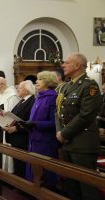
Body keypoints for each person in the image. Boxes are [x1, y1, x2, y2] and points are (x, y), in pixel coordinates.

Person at [55, 53, 102, 200]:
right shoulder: (65, 86)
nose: (63, 65)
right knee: (71, 186)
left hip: (83, 144)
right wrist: (59, 132)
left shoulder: (89, 85)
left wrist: (64, 134)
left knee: (87, 188)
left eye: (67, 63)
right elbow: (58, 111)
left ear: (77, 65)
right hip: (67, 143)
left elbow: (86, 115)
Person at [24, 71, 58, 189]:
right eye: (37, 79)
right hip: (33, 139)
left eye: (40, 80)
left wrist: (35, 124)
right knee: (33, 169)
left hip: (45, 141)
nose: (36, 82)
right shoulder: (39, 97)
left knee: (44, 173)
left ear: (48, 82)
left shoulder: (53, 98)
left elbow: (54, 123)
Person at [4, 80, 36, 178]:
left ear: (27, 90)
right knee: (18, 163)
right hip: (16, 137)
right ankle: (19, 183)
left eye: (20, 88)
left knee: (22, 164)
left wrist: (16, 128)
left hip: (23, 138)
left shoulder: (32, 101)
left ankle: (22, 185)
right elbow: (15, 116)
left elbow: (29, 120)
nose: (17, 89)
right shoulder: (22, 100)